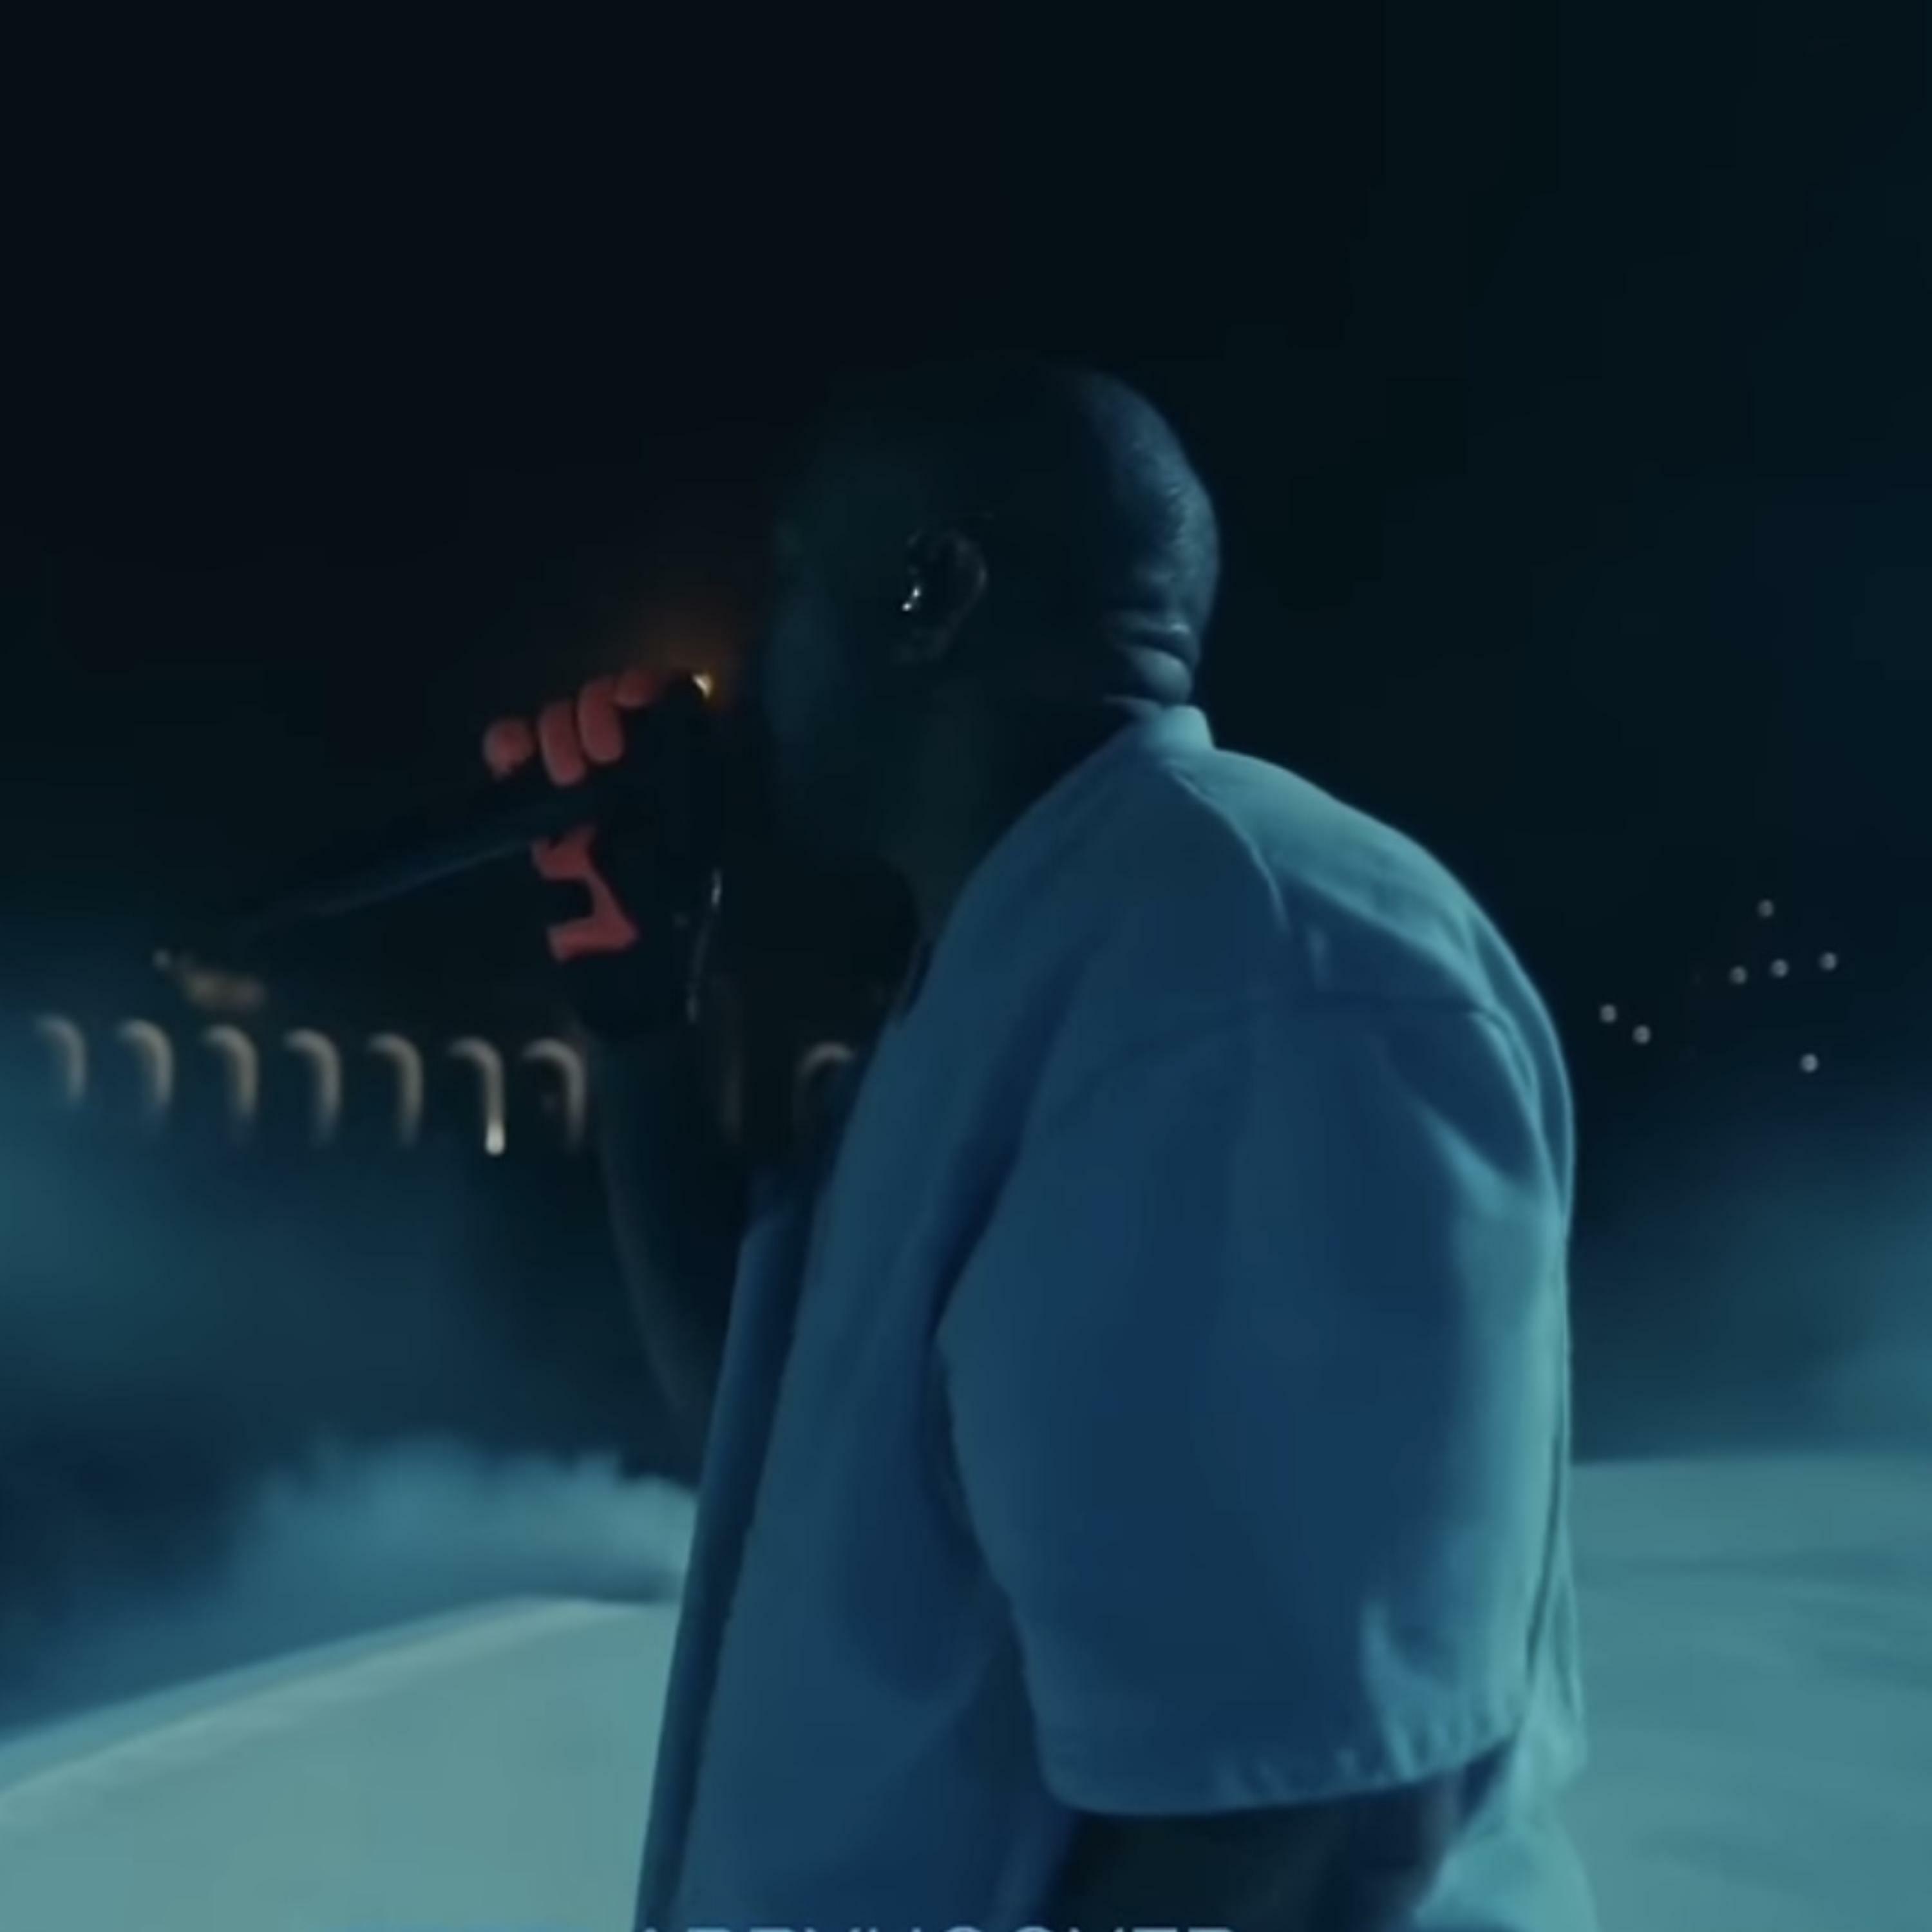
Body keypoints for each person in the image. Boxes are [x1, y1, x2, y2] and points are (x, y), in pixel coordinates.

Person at [485, 357, 1596, 1929]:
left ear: (928, 591)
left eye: (787, 586)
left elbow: (1306, 1815)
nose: (750, 661)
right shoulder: (1020, 974)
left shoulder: (1243, 967)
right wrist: (645, 1031)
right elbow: (771, 1428)